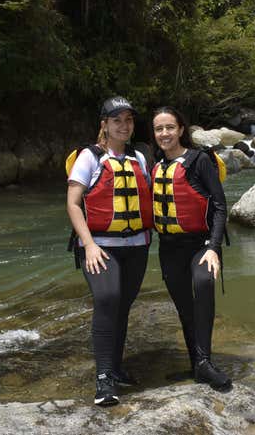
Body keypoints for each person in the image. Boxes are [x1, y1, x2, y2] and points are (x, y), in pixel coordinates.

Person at [66, 96, 154, 406]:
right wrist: (88, 244)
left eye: (128, 120)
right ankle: (104, 379)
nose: (124, 125)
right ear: (104, 124)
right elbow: (73, 203)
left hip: (137, 247)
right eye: (117, 120)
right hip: (99, 247)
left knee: (123, 304)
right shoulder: (89, 157)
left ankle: (116, 368)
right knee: (107, 299)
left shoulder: (140, 158)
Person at [150, 106, 231, 390]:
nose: (164, 133)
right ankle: (197, 365)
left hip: (201, 245)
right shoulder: (157, 166)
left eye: (169, 127)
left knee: (204, 284)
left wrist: (214, 247)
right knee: (184, 305)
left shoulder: (199, 161)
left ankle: (205, 362)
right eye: (159, 129)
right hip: (170, 247)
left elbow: (220, 207)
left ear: (181, 129)